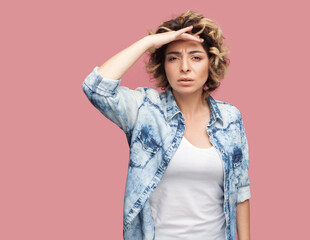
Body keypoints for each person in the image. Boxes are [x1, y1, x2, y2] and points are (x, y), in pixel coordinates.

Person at [82, 10, 251, 240]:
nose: (184, 67)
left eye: (196, 57)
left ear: (211, 64)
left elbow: (240, 191)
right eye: (173, 57)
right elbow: (95, 88)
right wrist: (149, 42)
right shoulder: (145, 110)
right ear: (163, 65)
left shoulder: (230, 118)